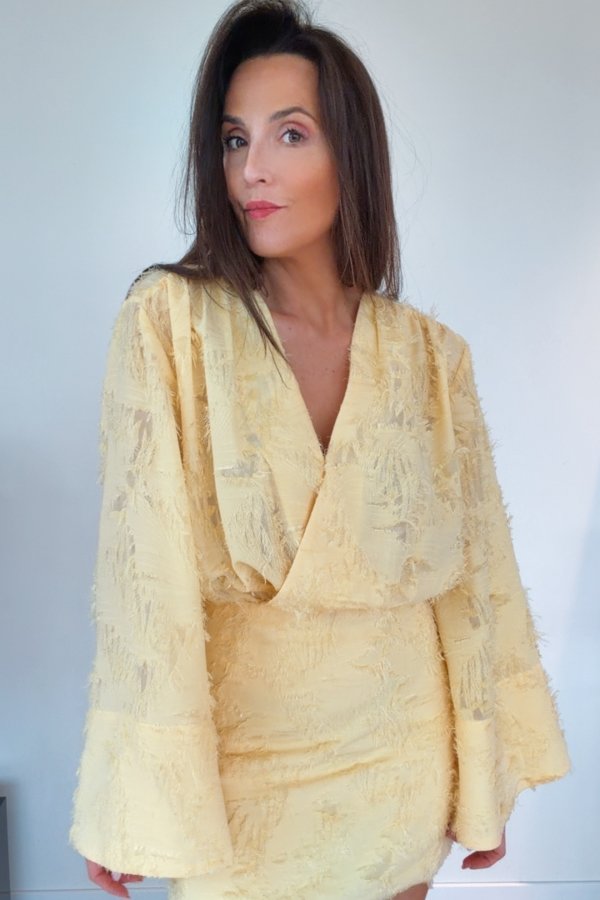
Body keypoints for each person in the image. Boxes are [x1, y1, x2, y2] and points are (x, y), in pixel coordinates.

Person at [68, 1, 572, 898]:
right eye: (234, 140)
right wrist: (136, 796)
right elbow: (143, 577)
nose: (251, 170)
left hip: (401, 776)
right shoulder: (171, 322)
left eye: (289, 134)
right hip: (244, 794)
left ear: (352, 155)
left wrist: (484, 778)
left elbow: (476, 577)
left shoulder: (430, 357)